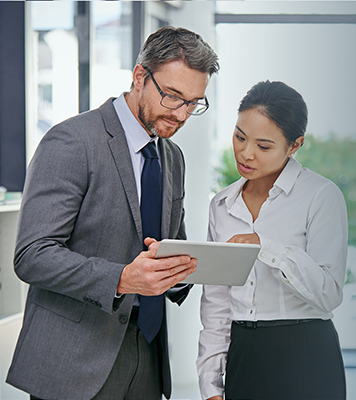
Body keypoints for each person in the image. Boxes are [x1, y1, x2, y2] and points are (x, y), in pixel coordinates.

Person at [6, 26, 219, 400]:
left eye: (193, 103)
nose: (181, 113)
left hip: (147, 352)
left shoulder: (172, 156)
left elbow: (168, 244)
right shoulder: (72, 141)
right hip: (75, 359)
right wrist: (122, 279)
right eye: (172, 96)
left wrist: (185, 270)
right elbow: (32, 256)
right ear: (139, 77)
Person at [196, 81, 348, 400]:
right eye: (240, 137)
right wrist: (210, 384)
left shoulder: (321, 196)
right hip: (244, 354)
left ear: (294, 145)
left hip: (306, 354)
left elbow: (329, 293)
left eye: (263, 146)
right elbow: (216, 304)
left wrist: (266, 248)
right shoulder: (221, 206)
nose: (246, 153)